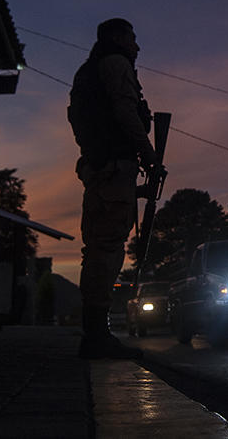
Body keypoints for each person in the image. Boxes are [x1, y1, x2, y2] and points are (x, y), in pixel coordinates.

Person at [68, 18, 155, 359]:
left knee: (96, 249)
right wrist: (148, 155)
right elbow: (125, 111)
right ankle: (97, 338)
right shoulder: (115, 64)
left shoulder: (86, 73)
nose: (137, 47)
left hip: (99, 169)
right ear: (118, 38)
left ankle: (95, 333)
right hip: (112, 166)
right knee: (107, 249)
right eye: (133, 38)